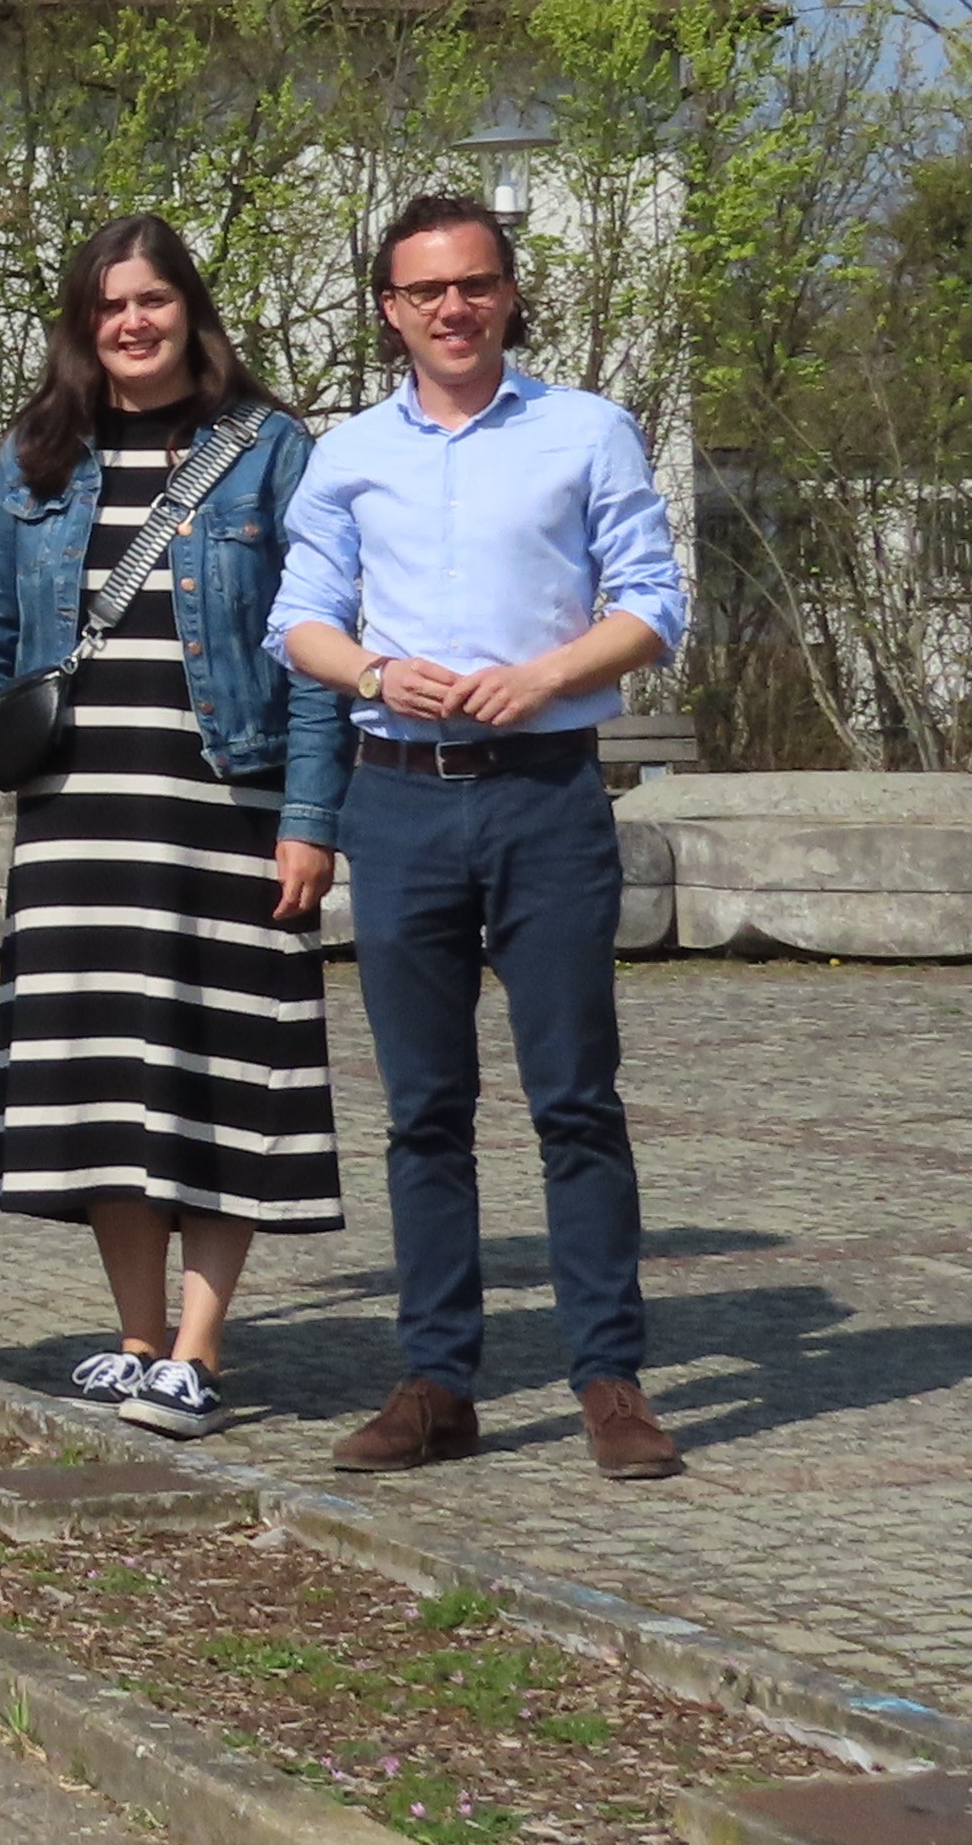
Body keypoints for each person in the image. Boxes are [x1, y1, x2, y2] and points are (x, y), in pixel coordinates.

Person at [268, 192, 692, 1483]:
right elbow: (300, 617)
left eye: (472, 283)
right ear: (388, 309)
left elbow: (651, 601)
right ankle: (434, 1381)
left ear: (507, 292)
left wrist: (547, 674)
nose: (450, 307)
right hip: (395, 795)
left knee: (572, 1096)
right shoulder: (345, 450)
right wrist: (373, 671)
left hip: (543, 791)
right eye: (422, 290)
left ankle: (607, 1377)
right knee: (422, 1107)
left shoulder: (583, 430)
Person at [0, 216, 349, 1440]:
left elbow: (315, 649)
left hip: (227, 808)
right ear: (81, 324)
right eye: (109, 305)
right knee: (110, 1081)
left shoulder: (270, 451)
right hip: (74, 817)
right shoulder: (37, 456)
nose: (132, 323)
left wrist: (312, 819)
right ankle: (131, 1336)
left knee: (220, 1070)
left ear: (190, 310)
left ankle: (200, 1347)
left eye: (153, 301)